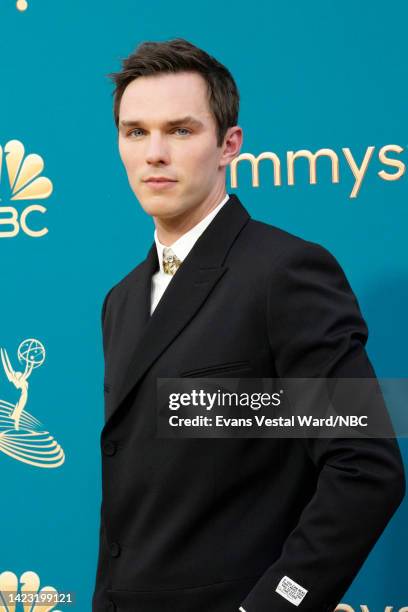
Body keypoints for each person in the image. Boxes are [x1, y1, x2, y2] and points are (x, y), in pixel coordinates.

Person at [92, 38, 405, 612]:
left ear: (229, 145)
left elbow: (365, 468)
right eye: (135, 132)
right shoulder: (122, 299)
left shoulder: (285, 273)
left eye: (180, 130)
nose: (154, 153)